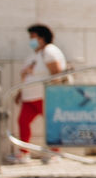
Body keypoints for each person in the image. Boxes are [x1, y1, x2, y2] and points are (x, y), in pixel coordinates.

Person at [14, 24, 67, 161]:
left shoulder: (50, 51)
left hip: (44, 96)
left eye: (33, 37)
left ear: (42, 38)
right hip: (29, 97)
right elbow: (26, 76)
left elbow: (56, 73)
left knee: (51, 123)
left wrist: (55, 93)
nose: (31, 40)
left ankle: (55, 152)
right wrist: (20, 92)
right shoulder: (33, 55)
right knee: (23, 122)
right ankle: (24, 153)